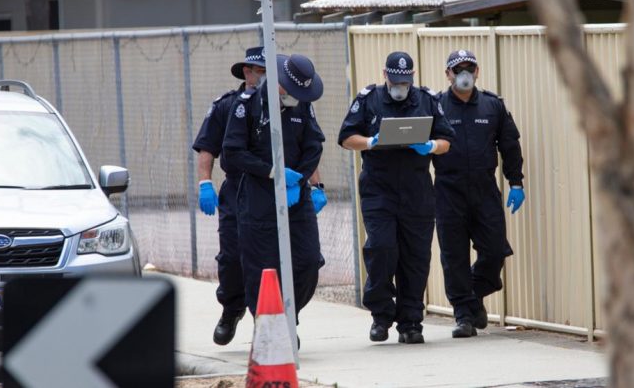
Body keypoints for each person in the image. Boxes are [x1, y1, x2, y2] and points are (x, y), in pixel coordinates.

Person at [338, 51, 455, 344]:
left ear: (412, 78)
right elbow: (346, 137)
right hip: (379, 189)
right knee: (381, 248)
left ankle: (410, 322)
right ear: (385, 75)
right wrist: (370, 142)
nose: (400, 86)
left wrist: (429, 146)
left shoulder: (427, 100)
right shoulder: (369, 99)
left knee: (416, 257)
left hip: (416, 189)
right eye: (395, 80)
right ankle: (380, 314)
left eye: (405, 81)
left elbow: (446, 141)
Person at [221, 53, 326, 331]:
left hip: (296, 195)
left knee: (308, 261)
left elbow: (314, 145)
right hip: (258, 197)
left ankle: (290, 316)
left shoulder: (302, 107)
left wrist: (299, 179)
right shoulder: (247, 106)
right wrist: (272, 171)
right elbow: (232, 153)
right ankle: (268, 326)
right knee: (263, 269)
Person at [432, 49, 525, 338]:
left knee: (495, 249)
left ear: (477, 72)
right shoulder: (435, 106)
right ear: (448, 74)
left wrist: (516, 182)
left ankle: (472, 296)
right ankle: (464, 315)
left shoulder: (492, 105)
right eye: (457, 69)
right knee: (454, 254)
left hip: (485, 190)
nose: (464, 74)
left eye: (469, 68)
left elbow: (509, 145)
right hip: (449, 190)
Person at [192, 46, 266, 345]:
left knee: (268, 258)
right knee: (232, 256)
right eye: (260, 71)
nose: (263, 77)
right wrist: (205, 183)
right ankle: (231, 309)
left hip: (269, 188)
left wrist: (316, 187)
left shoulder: (282, 104)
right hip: (236, 188)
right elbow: (208, 147)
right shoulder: (227, 105)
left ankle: (272, 319)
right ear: (247, 72)